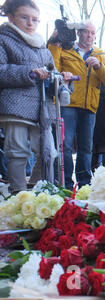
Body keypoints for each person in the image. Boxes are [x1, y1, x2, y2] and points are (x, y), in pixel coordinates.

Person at [0, 0, 73, 193]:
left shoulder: (43, 48)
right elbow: (1, 71)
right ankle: (19, 193)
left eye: (35, 19)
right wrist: (29, 73)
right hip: (15, 106)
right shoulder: (3, 39)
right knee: (17, 152)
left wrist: (62, 81)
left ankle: (37, 188)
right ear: (11, 17)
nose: (30, 23)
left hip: (42, 110)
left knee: (48, 150)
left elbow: (52, 74)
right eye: (24, 17)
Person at [48, 20, 105, 189]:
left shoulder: (100, 54)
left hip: (89, 107)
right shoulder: (65, 49)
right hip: (68, 104)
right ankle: (65, 184)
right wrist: (55, 42)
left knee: (86, 148)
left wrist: (99, 67)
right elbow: (52, 67)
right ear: (78, 32)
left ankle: (84, 184)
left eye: (93, 33)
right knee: (65, 145)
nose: (90, 36)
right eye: (87, 32)